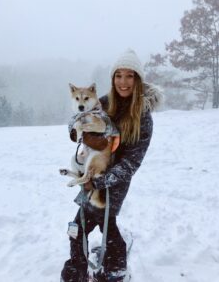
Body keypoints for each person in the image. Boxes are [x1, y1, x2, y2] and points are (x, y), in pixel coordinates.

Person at [61, 49, 161, 282]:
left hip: (115, 180)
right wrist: (77, 134)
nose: (123, 82)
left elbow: (132, 161)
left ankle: (99, 271)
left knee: (86, 224)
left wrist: (101, 180)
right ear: (113, 78)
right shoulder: (105, 102)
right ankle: (107, 269)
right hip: (93, 171)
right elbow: (77, 119)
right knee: (96, 223)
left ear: (137, 79)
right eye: (118, 75)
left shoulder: (143, 116)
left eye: (129, 76)